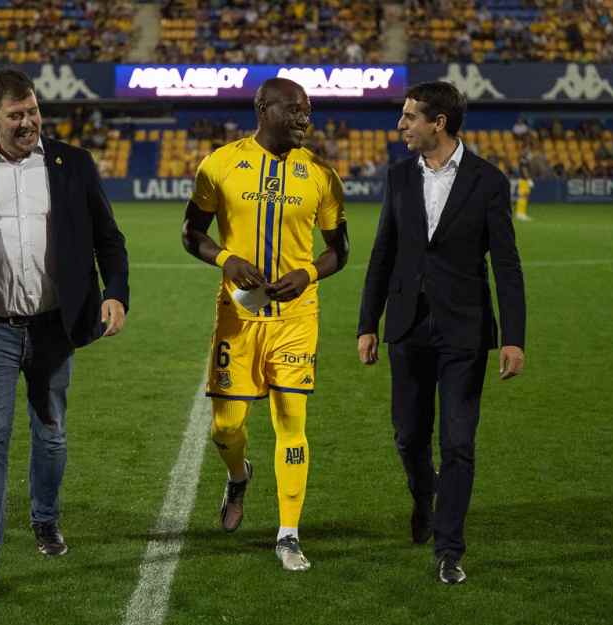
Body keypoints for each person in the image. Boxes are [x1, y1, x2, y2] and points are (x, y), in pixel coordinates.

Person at [0, 68, 129, 597]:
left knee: (51, 432)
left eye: (33, 111)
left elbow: (110, 239)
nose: (28, 122)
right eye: (16, 115)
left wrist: (115, 293)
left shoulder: (72, 165)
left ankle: (44, 518)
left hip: (54, 327)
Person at [357, 81, 526, 585]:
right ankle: (423, 499)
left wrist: (514, 337)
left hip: (464, 331)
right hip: (407, 326)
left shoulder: (488, 181)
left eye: (409, 117)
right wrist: (368, 323)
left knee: (458, 443)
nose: (400, 125)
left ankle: (450, 548)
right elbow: (382, 254)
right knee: (409, 437)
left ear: (439, 124)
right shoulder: (398, 178)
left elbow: (508, 265)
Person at [181, 77, 348, 572]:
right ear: (263, 107)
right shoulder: (220, 164)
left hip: (297, 317)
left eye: (309, 111)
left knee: (291, 423)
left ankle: (288, 533)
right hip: (240, 313)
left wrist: (310, 272)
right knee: (226, 429)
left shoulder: (321, 174)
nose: (304, 119)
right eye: (295, 109)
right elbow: (192, 233)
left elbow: (341, 249)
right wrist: (226, 259)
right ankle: (238, 475)